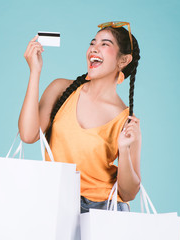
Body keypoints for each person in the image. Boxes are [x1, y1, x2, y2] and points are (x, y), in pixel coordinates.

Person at [18, 21, 141, 212]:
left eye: (104, 44)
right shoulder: (61, 89)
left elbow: (128, 193)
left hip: (104, 211)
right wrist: (35, 71)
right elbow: (28, 135)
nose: (94, 49)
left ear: (123, 61)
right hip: (56, 201)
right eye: (93, 43)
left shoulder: (127, 121)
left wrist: (124, 150)